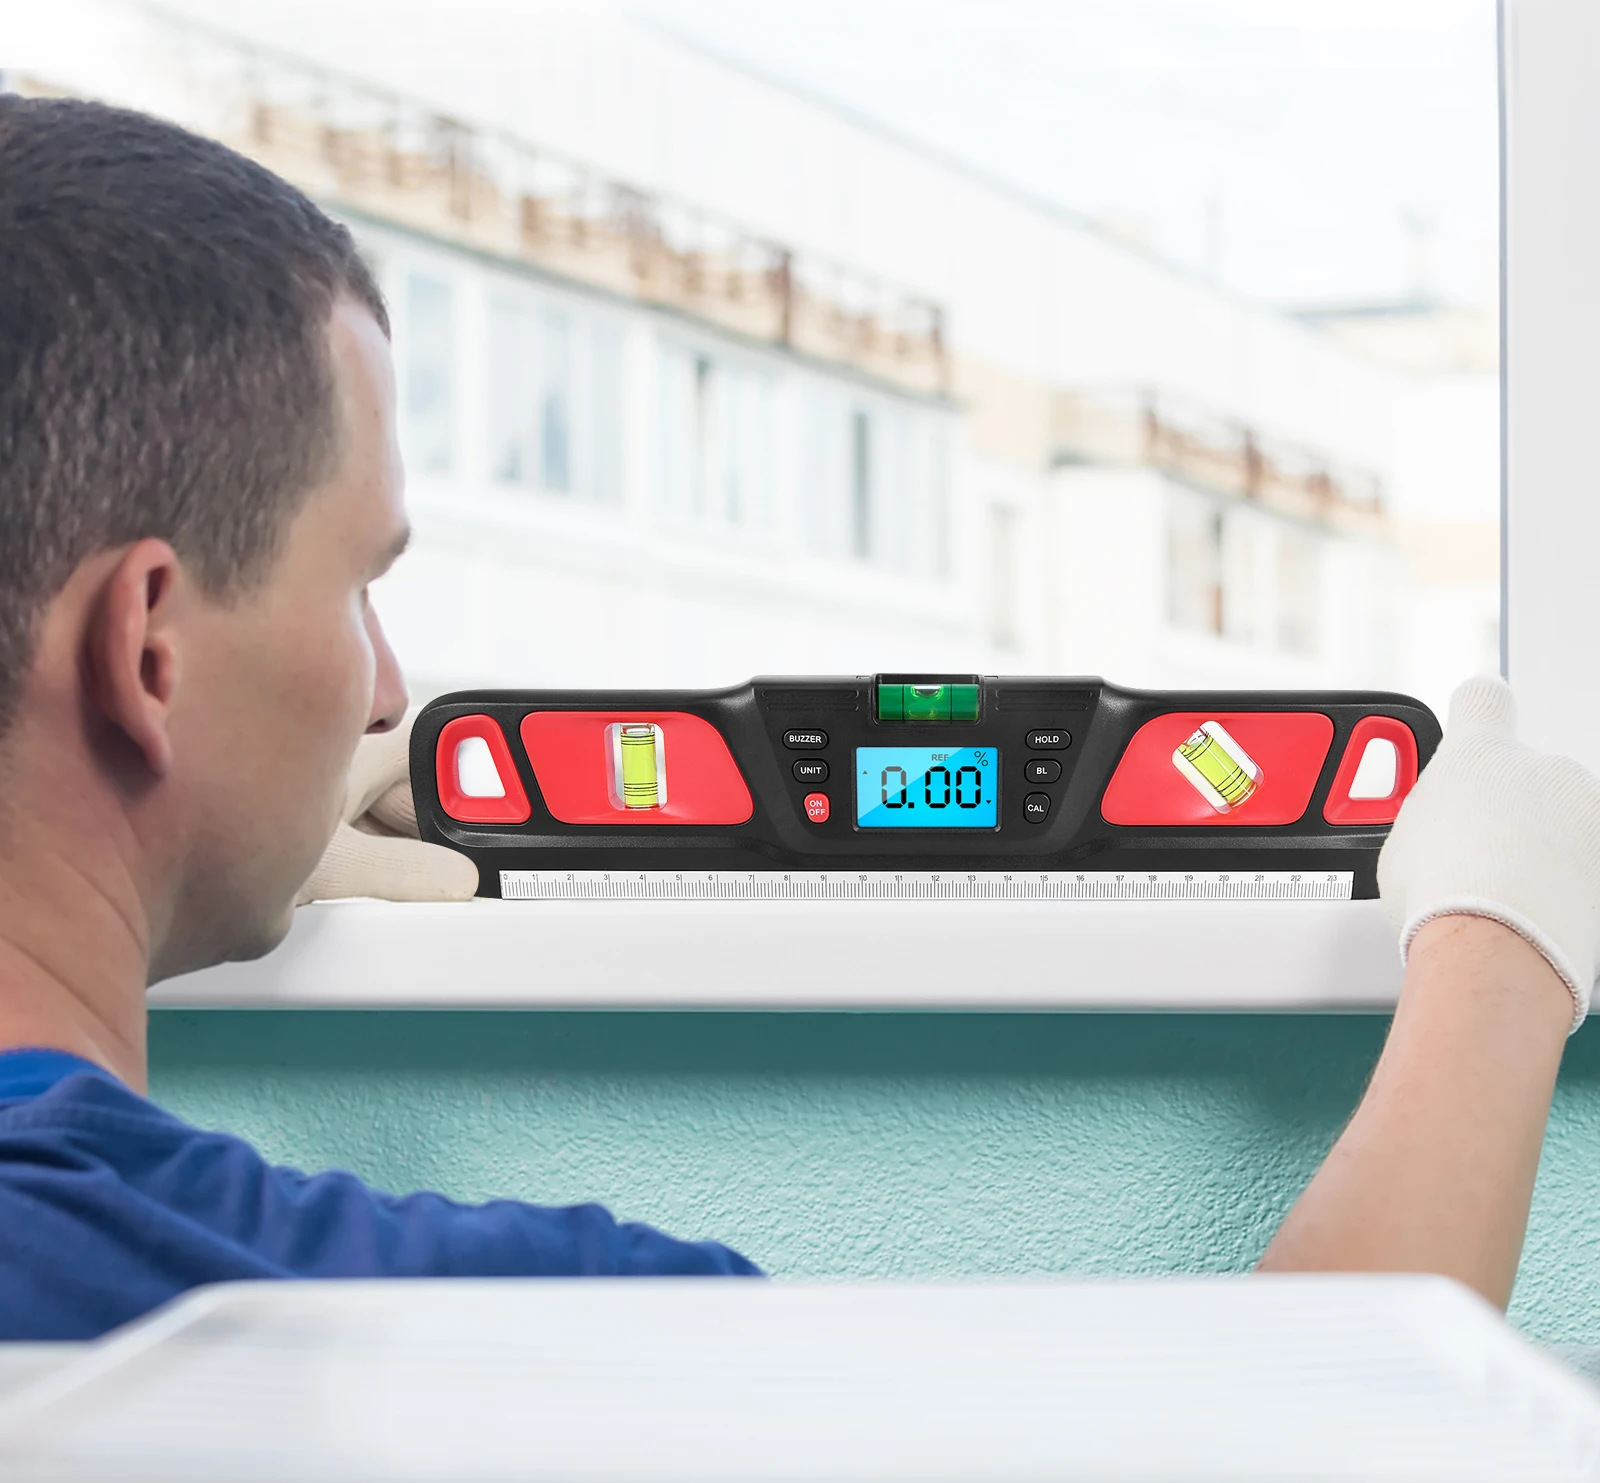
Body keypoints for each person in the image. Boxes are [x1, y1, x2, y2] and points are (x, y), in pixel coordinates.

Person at [0, 95, 1594, 1342]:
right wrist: (1500, 949)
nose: (388, 689)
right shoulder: (273, 1308)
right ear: (150, 652)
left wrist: (197, 860)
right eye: (361, 587)